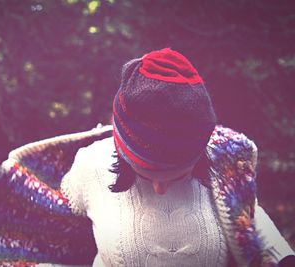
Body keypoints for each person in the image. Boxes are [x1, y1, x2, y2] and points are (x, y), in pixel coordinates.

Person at [59, 48, 295, 266]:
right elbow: (62, 233)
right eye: (145, 173)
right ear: (121, 151)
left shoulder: (225, 162)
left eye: (178, 176)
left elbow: (247, 215)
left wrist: (284, 257)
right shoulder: (90, 164)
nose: (160, 188)